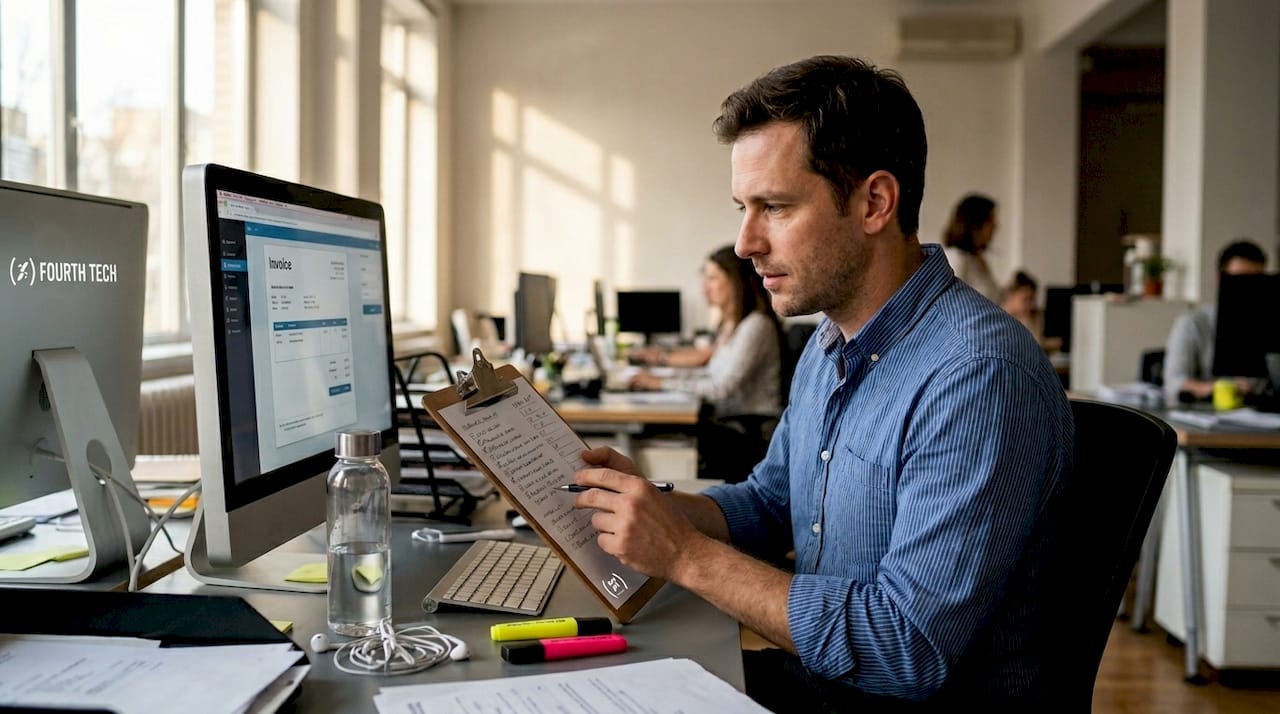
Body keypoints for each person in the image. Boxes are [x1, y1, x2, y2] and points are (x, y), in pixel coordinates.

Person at [571, 55, 1072, 707]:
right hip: (821, 680)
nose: (746, 242)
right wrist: (656, 503)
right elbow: (772, 502)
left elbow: (903, 648)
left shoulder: (977, 375)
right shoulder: (829, 342)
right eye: (743, 208)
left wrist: (685, 555)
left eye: (773, 207)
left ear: (874, 203)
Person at [629, 245, 784, 482]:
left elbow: (720, 388)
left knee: (659, 432)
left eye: (712, 278)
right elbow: (711, 374)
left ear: (735, 281)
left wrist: (661, 383)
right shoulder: (731, 325)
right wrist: (663, 380)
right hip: (730, 422)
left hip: (747, 429)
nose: (705, 287)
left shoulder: (756, 326)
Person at [1162, 239, 1267, 404]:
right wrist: (1214, 387)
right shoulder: (1193, 322)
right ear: (1220, 278)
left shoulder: (1270, 323)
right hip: (1206, 414)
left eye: (1255, 280)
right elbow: (1174, 383)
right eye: (1240, 280)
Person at [941, 193, 1002, 303]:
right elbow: (952, 308)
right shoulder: (956, 259)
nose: (996, 226)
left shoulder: (978, 260)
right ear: (975, 225)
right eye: (990, 221)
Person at [1001, 269, 1062, 353]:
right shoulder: (997, 319)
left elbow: (1037, 346)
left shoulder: (1033, 315)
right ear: (1011, 295)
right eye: (1025, 300)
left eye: (1032, 300)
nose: (1030, 305)